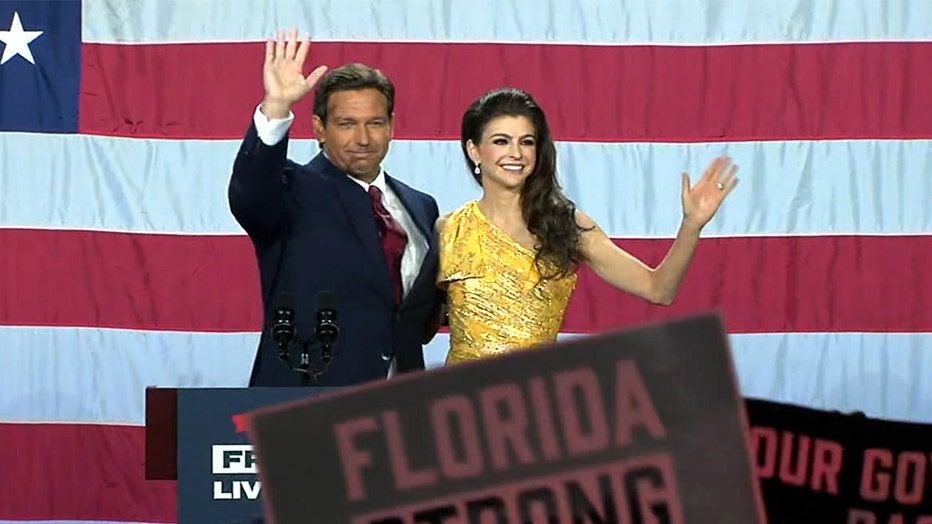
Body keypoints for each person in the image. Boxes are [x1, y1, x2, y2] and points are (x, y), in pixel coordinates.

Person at [436, 87, 738, 365]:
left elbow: (658, 289)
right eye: (501, 141)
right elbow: (419, 323)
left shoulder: (564, 224)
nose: (516, 153)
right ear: (474, 150)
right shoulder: (448, 229)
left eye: (526, 142)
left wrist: (691, 225)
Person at [229, 29, 443, 387]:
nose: (363, 139)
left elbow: (414, 315)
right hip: (309, 407)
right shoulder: (291, 191)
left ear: (390, 126)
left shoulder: (421, 206)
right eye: (346, 124)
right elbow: (250, 196)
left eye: (375, 123)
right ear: (319, 129)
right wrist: (276, 107)